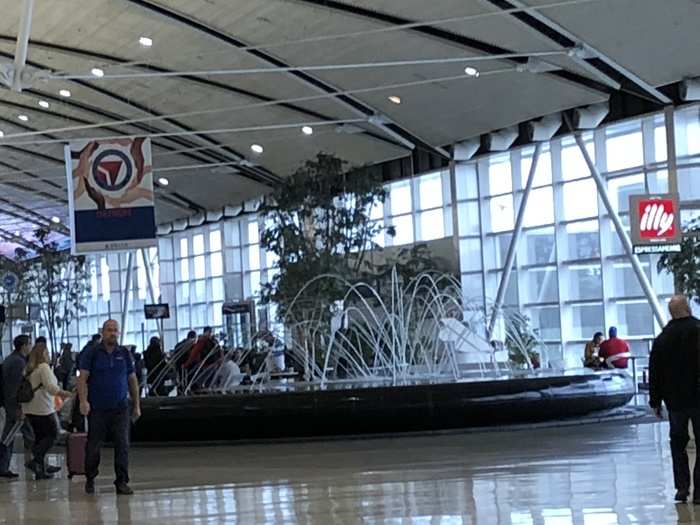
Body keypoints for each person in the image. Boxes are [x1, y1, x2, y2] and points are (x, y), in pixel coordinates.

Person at [77, 319, 141, 495]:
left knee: (122, 444)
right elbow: (82, 378)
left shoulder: (124, 354)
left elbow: (132, 380)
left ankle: (121, 481)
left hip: (120, 408)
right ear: (103, 332)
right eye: (109, 330)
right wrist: (83, 401)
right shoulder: (92, 353)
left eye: (115, 330)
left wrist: (136, 405)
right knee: (93, 447)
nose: (113, 333)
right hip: (97, 408)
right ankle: (90, 477)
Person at [649, 295, 700, 503]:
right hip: (698, 398)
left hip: (675, 401)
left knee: (677, 443)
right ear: (688, 308)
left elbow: (655, 372)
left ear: (671, 313)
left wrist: (655, 401)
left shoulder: (662, 339)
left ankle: (682, 488)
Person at [21, 343, 72, 479]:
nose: (49, 356)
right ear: (43, 354)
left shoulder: (29, 368)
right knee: (53, 434)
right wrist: (64, 393)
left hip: (30, 408)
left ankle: (40, 469)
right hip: (43, 407)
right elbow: (50, 387)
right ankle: (35, 460)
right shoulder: (43, 367)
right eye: (47, 353)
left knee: (40, 437)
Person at [0, 335, 35, 478]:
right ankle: (3, 466)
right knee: (10, 437)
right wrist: (19, 407)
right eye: (30, 343)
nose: (31, 346)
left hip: (11, 405)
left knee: (26, 435)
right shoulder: (18, 363)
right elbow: (15, 387)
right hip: (15, 406)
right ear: (24, 346)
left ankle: (39, 462)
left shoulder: (10, 359)